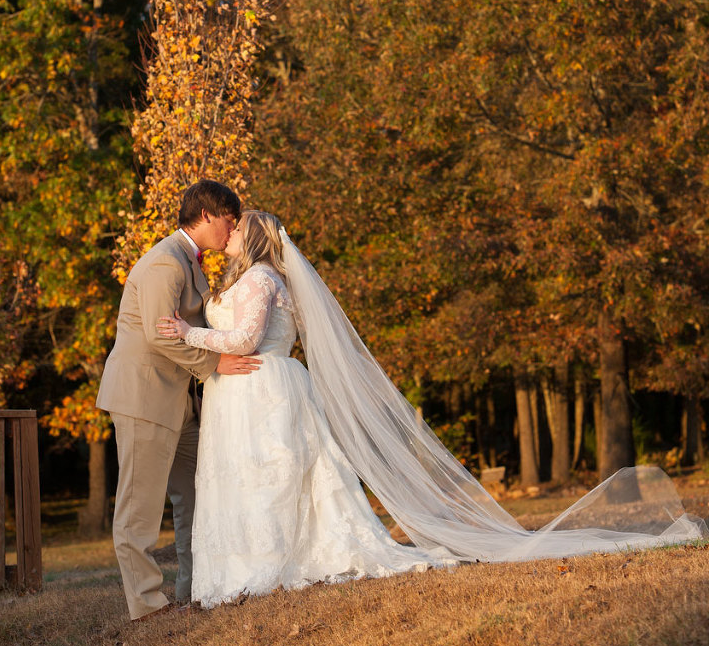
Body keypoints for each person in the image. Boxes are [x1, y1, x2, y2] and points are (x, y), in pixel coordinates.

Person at [158, 211, 707, 609]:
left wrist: (188, 332)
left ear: (253, 237)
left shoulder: (261, 277)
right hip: (245, 391)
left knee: (274, 476)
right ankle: (249, 566)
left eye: (237, 228)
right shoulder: (248, 278)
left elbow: (247, 338)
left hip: (265, 386)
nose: (229, 234)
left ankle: (271, 564)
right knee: (255, 478)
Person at [96, 180, 261, 621]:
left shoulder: (190, 262)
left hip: (181, 404)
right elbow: (159, 335)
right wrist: (215, 364)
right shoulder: (164, 263)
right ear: (206, 215)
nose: (232, 229)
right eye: (229, 220)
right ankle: (147, 605)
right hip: (144, 398)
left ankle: (193, 589)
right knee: (139, 508)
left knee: (197, 497)